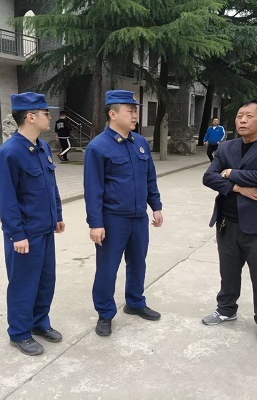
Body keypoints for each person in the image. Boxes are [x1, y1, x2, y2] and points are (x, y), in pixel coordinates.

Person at [201, 100, 257, 346]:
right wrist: (238, 187)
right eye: (239, 115)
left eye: (249, 116)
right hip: (227, 223)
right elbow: (208, 177)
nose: (242, 120)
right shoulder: (226, 147)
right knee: (228, 272)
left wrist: (229, 173)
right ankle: (226, 309)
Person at [83, 90, 163, 337]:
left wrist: (156, 206)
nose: (135, 115)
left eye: (135, 111)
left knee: (138, 262)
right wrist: (95, 223)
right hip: (112, 219)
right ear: (113, 114)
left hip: (138, 217)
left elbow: (149, 178)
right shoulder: (98, 147)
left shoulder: (140, 143)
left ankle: (135, 302)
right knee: (107, 268)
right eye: (130, 111)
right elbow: (93, 189)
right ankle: (105, 313)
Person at [0, 92, 65, 356]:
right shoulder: (9, 153)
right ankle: (20, 332)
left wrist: (57, 215)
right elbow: (6, 199)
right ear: (30, 117)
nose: (50, 117)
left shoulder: (42, 147)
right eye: (46, 113)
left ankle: (39, 322)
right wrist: (16, 234)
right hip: (25, 234)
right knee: (23, 283)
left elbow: (51, 186)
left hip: (45, 229)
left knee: (46, 280)